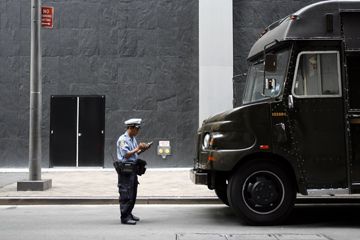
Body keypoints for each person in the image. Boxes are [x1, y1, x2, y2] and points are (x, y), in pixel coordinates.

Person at [116, 118, 150, 225]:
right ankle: (124, 217)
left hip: (132, 168)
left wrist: (142, 149)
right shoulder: (123, 139)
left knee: (133, 193)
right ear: (130, 128)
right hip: (125, 169)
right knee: (126, 193)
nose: (138, 131)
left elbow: (134, 154)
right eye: (137, 128)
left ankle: (129, 213)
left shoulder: (132, 139)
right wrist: (137, 148)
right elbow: (126, 154)